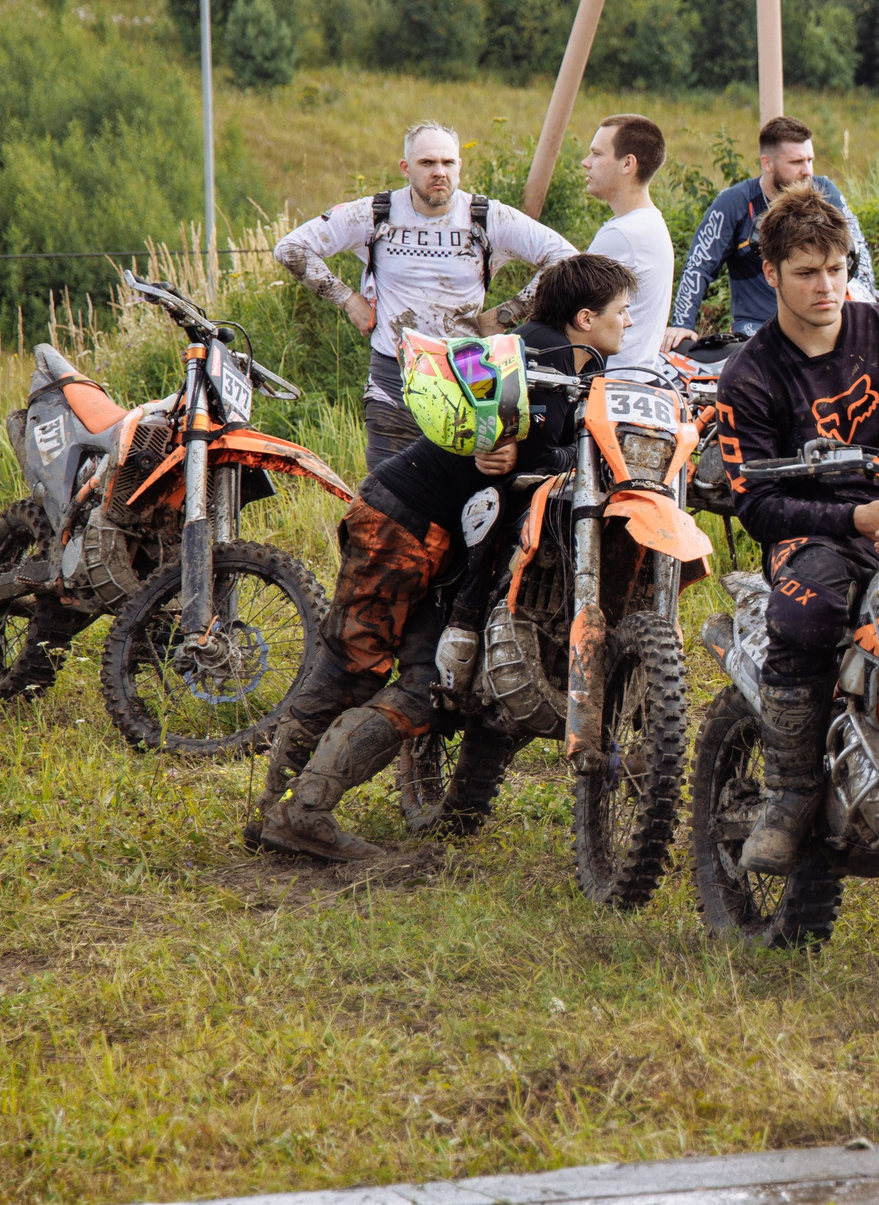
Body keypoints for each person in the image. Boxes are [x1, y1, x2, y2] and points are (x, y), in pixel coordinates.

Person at [249, 253, 638, 862]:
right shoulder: (533, 362)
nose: (630, 321)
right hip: (401, 523)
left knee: (428, 680)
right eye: (622, 311)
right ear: (586, 318)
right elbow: (539, 460)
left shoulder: (562, 358)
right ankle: (289, 813)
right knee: (350, 667)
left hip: (430, 532)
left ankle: (290, 810)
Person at [713, 190, 879, 875]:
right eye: (806, 272)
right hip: (817, 533)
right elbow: (756, 503)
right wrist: (852, 518)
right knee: (806, 608)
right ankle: (790, 792)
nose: (826, 285)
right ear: (770, 273)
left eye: (836, 267)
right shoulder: (750, 374)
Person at [274, 120, 579, 470]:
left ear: (459, 167)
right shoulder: (375, 213)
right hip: (395, 376)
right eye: (427, 163)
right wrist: (347, 299)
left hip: (469, 374)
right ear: (406, 168)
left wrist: (509, 312)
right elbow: (291, 248)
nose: (439, 172)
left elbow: (566, 257)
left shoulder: (486, 216)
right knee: (385, 498)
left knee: (464, 502)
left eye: (448, 163)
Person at [664, 114, 879, 348]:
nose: (807, 171)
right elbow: (699, 265)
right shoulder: (733, 202)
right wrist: (682, 324)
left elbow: (858, 251)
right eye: (797, 162)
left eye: (810, 160)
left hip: (820, 323)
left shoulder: (826, 192)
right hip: (757, 329)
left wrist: (865, 315)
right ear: (767, 163)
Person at [581, 112, 676, 370]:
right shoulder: (648, 223)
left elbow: (574, 318)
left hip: (609, 383)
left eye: (597, 154)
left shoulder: (624, 234)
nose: (585, 162)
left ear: (627, 164)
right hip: (637, 377)